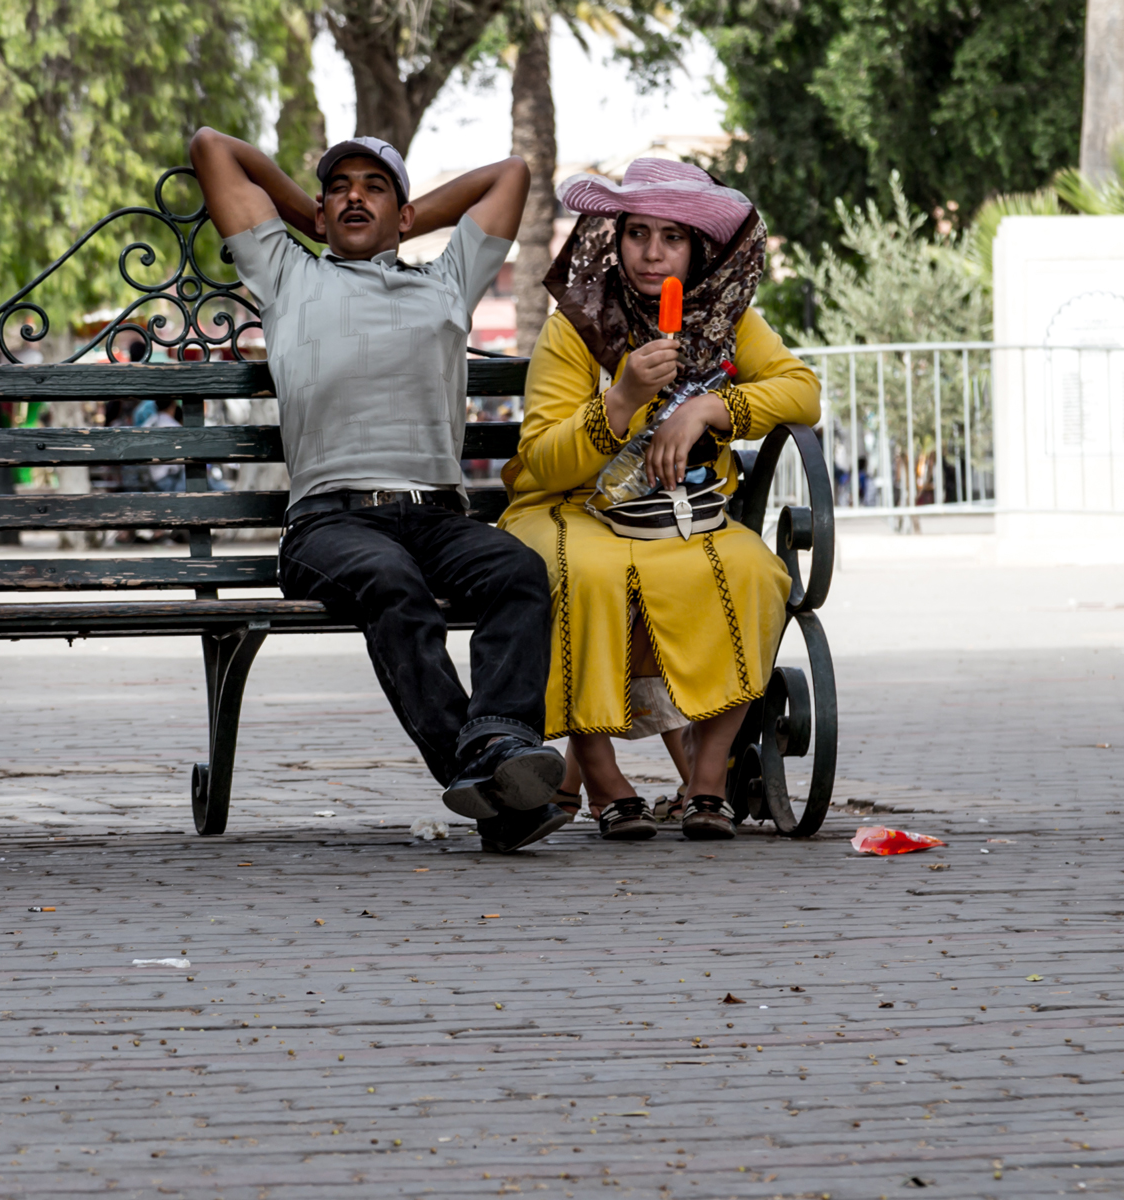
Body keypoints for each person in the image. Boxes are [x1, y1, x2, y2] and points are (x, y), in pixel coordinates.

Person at [188, 129, 568, 854]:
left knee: (518, 571)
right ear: (319, 215)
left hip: (435, 517)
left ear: (405, 214)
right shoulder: (286, 273)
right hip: (332, 526)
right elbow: (213, 147)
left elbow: (512, 173)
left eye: (375, 185)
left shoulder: (446, 281)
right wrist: (314, 218)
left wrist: (399, 219)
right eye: (340, 186)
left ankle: (498, 744)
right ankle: (483, 772)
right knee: (394, 586)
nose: (354, 193)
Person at [497, 158, 821, 841]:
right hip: (569, 508)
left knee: (755, 572)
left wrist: (709, 405)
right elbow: (541, 460)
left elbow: (802, 391)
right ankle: (603, 779)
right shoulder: (576, 326)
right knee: (585, 575)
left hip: (679, 513)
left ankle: (707, 782)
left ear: (697, 248)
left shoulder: (728, 319)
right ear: (613, 239)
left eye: (671, 237)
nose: (651, 253)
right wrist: (619, 401)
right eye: (637, 233)